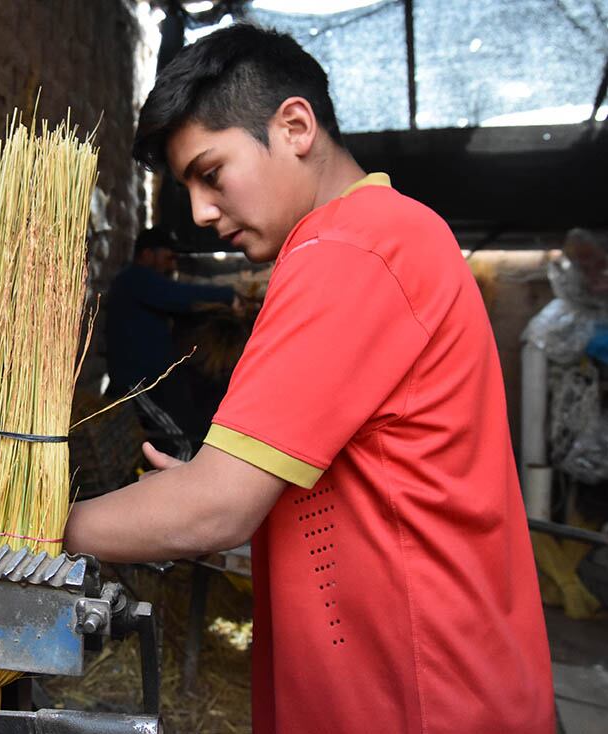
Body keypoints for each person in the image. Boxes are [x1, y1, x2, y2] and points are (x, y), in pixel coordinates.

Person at [64, 22, 554, 734]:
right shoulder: (393, 234)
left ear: (295, 125)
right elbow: (340, 479)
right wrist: (212, 485)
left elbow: (217, 508)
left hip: (416, 696)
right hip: (434, 675)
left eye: (210, 172)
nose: (200, 212)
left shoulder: (348, 250)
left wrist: (33, 532)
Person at [105, 227, 236, 439]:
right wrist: (229, 294)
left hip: (154, 381)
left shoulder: (143, 284)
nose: (172, 265)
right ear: (147, 254)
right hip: (138, 385)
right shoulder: (135, 279)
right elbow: (177, 296)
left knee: (185, 430)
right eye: (168, 258)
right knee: (180, 438)